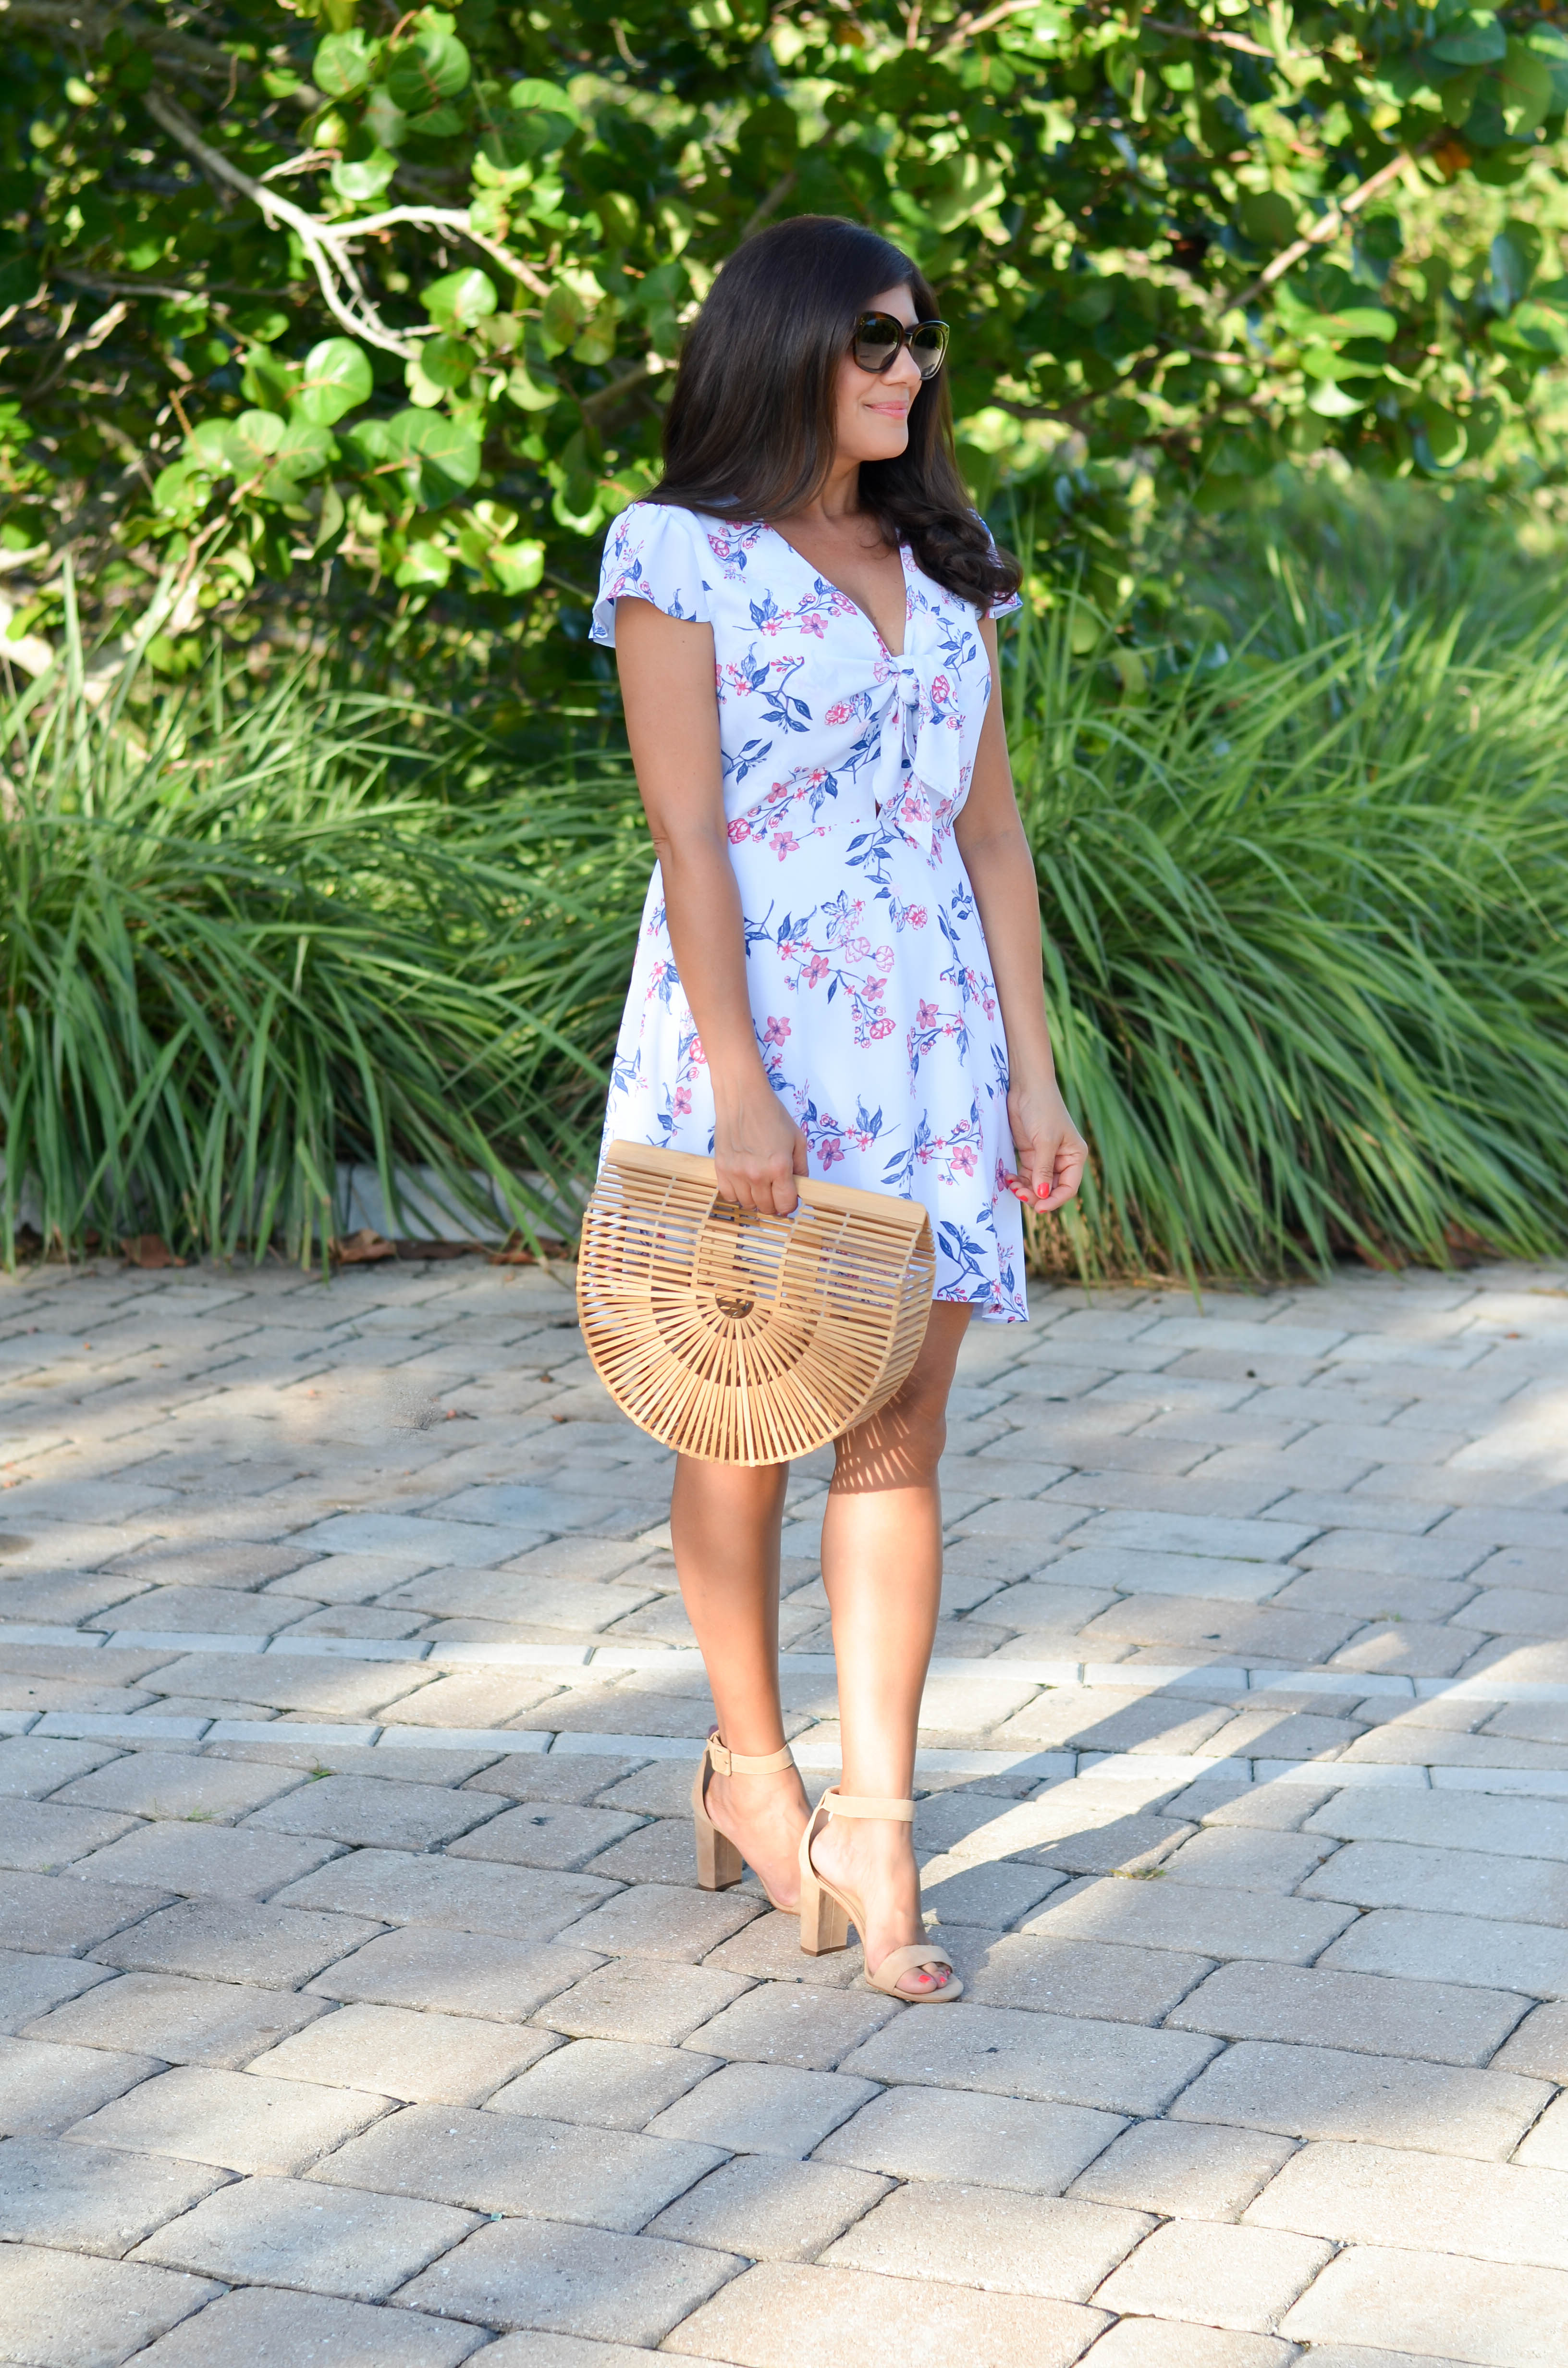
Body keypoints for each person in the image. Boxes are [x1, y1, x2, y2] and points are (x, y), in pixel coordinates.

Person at [590, 214, 1086, 2001]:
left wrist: (1034, 1072)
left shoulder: (943, 566)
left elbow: (995, 835)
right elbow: (692, 836)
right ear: (787, 345)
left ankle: (877, 1820)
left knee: (896, 1431)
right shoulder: (682, 556)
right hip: (764, 1042)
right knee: (740, 1416)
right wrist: (740, 1088)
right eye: (877, 340)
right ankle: (751, 1765)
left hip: (935, 1044)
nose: (910, 369)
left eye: (922, 341)